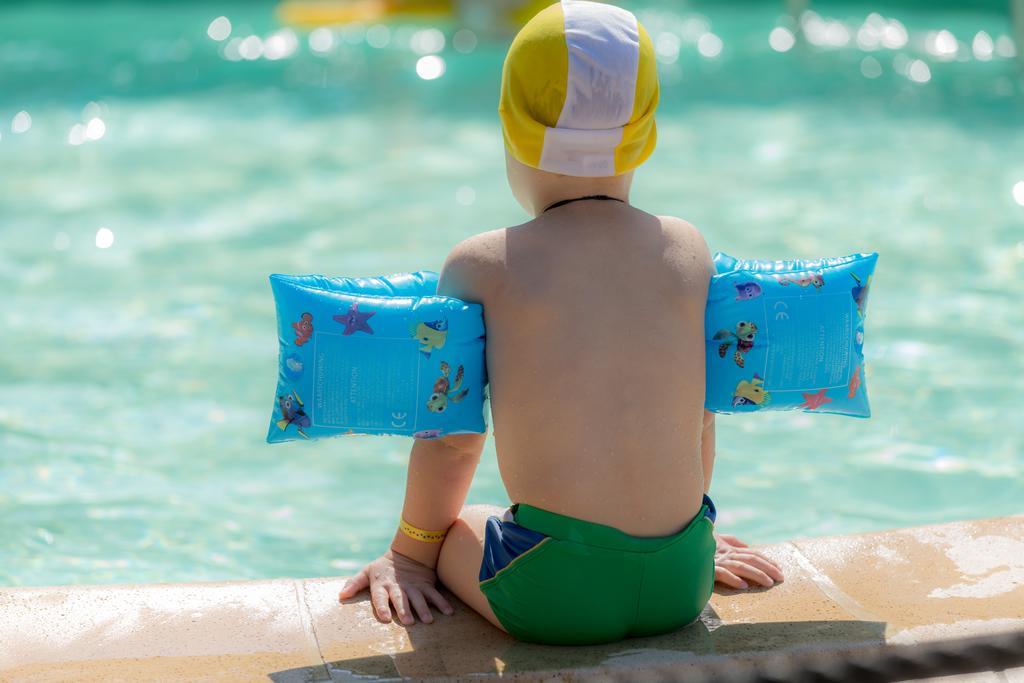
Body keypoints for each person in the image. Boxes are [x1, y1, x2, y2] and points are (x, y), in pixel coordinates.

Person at [339, 0, 784, 645]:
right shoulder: (688, 251)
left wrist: (409, 556)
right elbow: (700, 418)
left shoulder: (483, 264)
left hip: (554, 598)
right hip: (682, 579)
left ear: (510, 128)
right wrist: (690, 542)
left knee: (462, 523)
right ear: (647, 129)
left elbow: (452, 440)